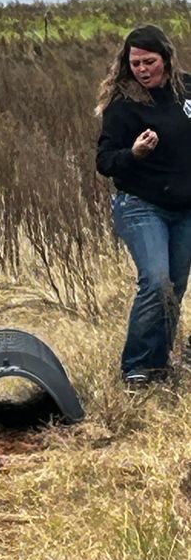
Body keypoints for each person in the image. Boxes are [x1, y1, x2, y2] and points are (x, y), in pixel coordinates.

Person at [96, 25, 191, 386]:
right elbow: (104, 161)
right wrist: (133, 153)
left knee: (174, 288)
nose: (142, 69)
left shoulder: (186, 90)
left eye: (149, 61)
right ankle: (135, 368)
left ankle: (158, 366)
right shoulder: (122, 105)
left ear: (166, 59)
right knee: (155, 279)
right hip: (140, 205)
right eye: (135, 63)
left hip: (184, 208)